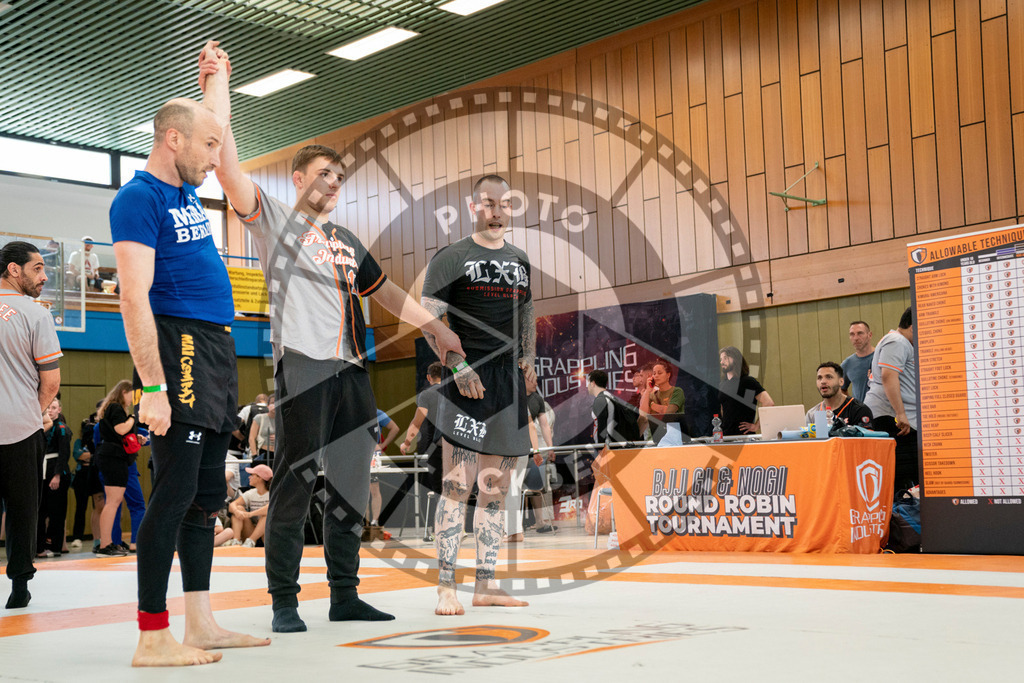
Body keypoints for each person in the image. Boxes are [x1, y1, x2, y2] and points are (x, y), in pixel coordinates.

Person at [199, 43, 465, 633]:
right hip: (305, 365)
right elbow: (227, 167)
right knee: (295, 480)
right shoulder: (274, 220)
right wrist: (218, 83)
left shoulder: (345, 236)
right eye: (324, 175)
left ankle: (344, 594)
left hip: (351, 370)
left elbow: (386, 292)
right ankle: (284, 601)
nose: (334, 183)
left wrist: (437, 327)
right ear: (299, 179)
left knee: (350, 483)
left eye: (339, 177)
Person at [110, 65, 268, 665]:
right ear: (171, 140)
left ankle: (199, 622)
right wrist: (151, 386)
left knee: (206, 495)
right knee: (174, 492)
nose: (217, 154)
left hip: (216, 349)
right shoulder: (139, 198)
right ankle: (153, 634)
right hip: (179, 346)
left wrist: (219, 80)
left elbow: (214, 124)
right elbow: (131, 295)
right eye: (206, 146)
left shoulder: (182, 189)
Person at [420, 173, 535, 616]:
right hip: (466, 382)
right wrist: (456, 363)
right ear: (473, 208)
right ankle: (445, 587)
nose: (496, 211)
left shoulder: (520, 260)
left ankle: (485, 585)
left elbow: (527, 312)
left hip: (507, 387)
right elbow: (429, 318)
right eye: (488, 203)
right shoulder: (451, 257)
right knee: (457, 484)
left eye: (504, 204)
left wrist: (529, 359)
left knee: (495, 488)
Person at [0, 240, 62, 609]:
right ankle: (19, 587)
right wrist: (36, 412)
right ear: (13, 270)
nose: (44, 275)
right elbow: (51, 381)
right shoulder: (36, 314)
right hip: (21, 429)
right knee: (23, 510)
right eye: (37, 268)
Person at [863, 307, 919, 489]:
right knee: (903, 478)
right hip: (891, 418)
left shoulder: (900, 342)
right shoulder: (897, 341)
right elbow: (888, 376)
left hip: (897, 417)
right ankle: (899, 516)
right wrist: (900, 414)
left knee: (909, 475)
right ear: (912, 327)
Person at [94, 380, 138, 556]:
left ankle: (107, 542)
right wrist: (133, 418)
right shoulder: (116, 407)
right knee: (112, 502)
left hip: (111, 455)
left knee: (113, 501)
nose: (132, 400)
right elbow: (121, 429)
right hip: (113, 456)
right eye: (132, 396)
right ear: (124, 392)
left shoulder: (110, 408)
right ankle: (105, 545)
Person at [38, 398, 72, 557]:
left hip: (56, 472)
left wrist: (57, 475)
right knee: (42, 510)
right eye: (48, 407)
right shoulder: (43, 427)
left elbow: (64, 454)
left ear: (59, 409)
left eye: (54, 407)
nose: (50, 410)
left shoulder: (62, 428)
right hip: (44, 472)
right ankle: (40, 545)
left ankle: (55, 545)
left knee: (57, 511)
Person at [523, 373, 556, 534]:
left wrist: (550, 448)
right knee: (512, 488)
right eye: (532, 380)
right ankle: (510, 526)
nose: (536, 383)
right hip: (515, 450)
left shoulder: (537, 399)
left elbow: (544, 426)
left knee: (536, 486)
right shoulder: (514, 396)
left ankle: (540, 522)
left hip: (533, 451)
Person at [719, 346, 774, 435]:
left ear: (735, 359)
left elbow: (768, 403)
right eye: (721, 359)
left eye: (725, 358)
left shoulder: (747, 382)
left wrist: (756, 425)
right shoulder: (722, 384)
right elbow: (723, 408)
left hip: (744, 436)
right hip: (726, 436)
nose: (722, 362)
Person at [364, 409, 399, 541]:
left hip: (373, 454)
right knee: (362, 488)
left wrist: (382, 445)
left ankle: (374, 521)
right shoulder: (354, 411)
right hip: (359, 454)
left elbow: (395, 428)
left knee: (374, 488)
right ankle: (364, 522)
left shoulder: (377, 413)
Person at [804, 362, 873, 429]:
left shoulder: (859, 410)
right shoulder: (812, 414)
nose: (823, 381)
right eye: (819, 378)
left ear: (841, 382)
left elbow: (866, 439)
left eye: (829, 377)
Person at [588, 370, 642, 444]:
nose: (587, 386)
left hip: (607, 445)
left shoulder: (601, 399)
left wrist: (600, 446)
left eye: (588, 383)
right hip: (613, 443)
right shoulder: (610, 397)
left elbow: (602, 424)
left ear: (593, 383)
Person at [640, 360, 686, 445]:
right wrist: (647, 391)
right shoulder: (651, 394)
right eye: (654, 373)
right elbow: (643, 416)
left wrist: (652, 405)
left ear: (668, 375)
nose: (656, 376)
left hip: (673, 440)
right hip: (653, 440)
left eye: (659, 373)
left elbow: (669, 413)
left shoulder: (677, 391)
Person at [228, 465, 272, 548]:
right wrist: (237, 511)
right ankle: (236, 541)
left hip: (267, 535)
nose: (249, 477)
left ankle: (251, 540)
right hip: (250, 532)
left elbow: (270, 508)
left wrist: (250, 514)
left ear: (260, 478)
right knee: (238, 508)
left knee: (267, 515)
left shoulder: (272, 493)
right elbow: (232, 505)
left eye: (252, 475)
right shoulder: (251, 493)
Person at [841, 321, 875, 402]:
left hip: (883, 411)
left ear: (869, 335)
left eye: (860, 333)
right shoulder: (847, 364)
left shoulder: (882, 357)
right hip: (861, 413)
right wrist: (853, 405)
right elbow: (841, 389)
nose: (856, 338)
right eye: (852, 334)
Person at [248, 395, 276, 466]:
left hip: (279, 452)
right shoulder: (259, 418)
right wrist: (254, 455)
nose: (275, 405)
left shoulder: (284, 419)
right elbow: (251, 438)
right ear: (268, 405)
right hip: (263, 452)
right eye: (272, 403)